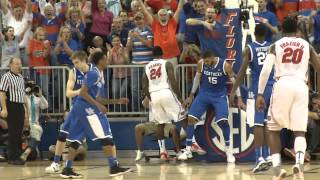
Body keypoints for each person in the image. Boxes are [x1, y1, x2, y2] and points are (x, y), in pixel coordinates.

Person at [256, 17, 320, 180]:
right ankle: (298, 163)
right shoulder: (307, 45)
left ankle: (277, 169)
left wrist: (260, 94)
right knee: (300, 131)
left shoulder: (275, 45)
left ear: (282, 30)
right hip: (301, 86)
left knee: (273, 129)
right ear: (297, 30)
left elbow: (265, 71)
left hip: (283, 83)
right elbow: (318, 67)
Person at [60, 51, 131, 178]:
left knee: (76, 139)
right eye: (106, 58)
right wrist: (98, 106)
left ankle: (67, 168)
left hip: (80, 108)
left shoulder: (98, 73)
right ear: (101, 61)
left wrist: (116, 101)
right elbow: (83, 93)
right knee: (105, 136)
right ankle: (113, 167)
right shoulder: (93, 73)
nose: (107, 61)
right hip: (86, 108)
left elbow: (97, 97)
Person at [178, 51, 244, 162]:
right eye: (205, 61)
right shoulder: (201, 63)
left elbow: (235, 82)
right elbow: (197, 79)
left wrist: (240, 98)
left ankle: (229, 151)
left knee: (223, 121)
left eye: (208, 61)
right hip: (204, 93)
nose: (207, 63)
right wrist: (191, 95)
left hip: (219, 95)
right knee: (190, 119)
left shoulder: (225, 65)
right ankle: (188, 149)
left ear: (213, 57)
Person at [230, 24, 274, 173]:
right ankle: (268, 156)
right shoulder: (272, 47)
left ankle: (259, 158)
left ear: (254, 34)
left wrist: (233, 90)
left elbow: (242, 72)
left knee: (257, 124)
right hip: (272, 87)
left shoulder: (249, 49)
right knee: (267, 123)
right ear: (266, 34)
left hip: (257, 90)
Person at [142, 46, 185, 160]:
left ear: (152, 55)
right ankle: (185, 149)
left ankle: (162, 151)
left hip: (154, 95)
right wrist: (180, 98)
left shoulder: (147, 66)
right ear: (162, 54)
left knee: (160, 124)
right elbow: (173, 81)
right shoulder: (166, 63)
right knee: (183, 116)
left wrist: (151, 98)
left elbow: (144, 86)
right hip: (165, 92)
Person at [135, 96, 182, 161]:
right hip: (153, 123)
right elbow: (145, 105)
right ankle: (141, 152)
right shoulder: (151, 95)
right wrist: (149, 94)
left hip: (166, 124)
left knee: (173, 128)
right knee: (138, 128)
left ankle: (179, 152)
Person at [0, 58, 28, 165]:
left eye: (20, 63)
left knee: (19, 132)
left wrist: (26, 111)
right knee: (13, 132)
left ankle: (17, 156)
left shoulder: (21, 77)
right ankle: (12, 157)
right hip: (11, 106)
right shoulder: (6, 76)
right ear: (11, 65)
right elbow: (2, 93)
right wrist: (4, 108)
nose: (19, 66)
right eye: (17, 64)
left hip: (20, 106)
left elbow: (23, 96)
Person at [20, 81, 48, 162]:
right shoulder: (22, 97)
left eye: (32, 87)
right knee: (36, 132)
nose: (31, 89)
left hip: (34, 123)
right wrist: (24, 92)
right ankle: (27, 150)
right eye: (29, 86)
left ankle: (27, 151)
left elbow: (45, 106)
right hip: (24, 123)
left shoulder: (37, 99)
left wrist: (41, 95)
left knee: (38, 130)